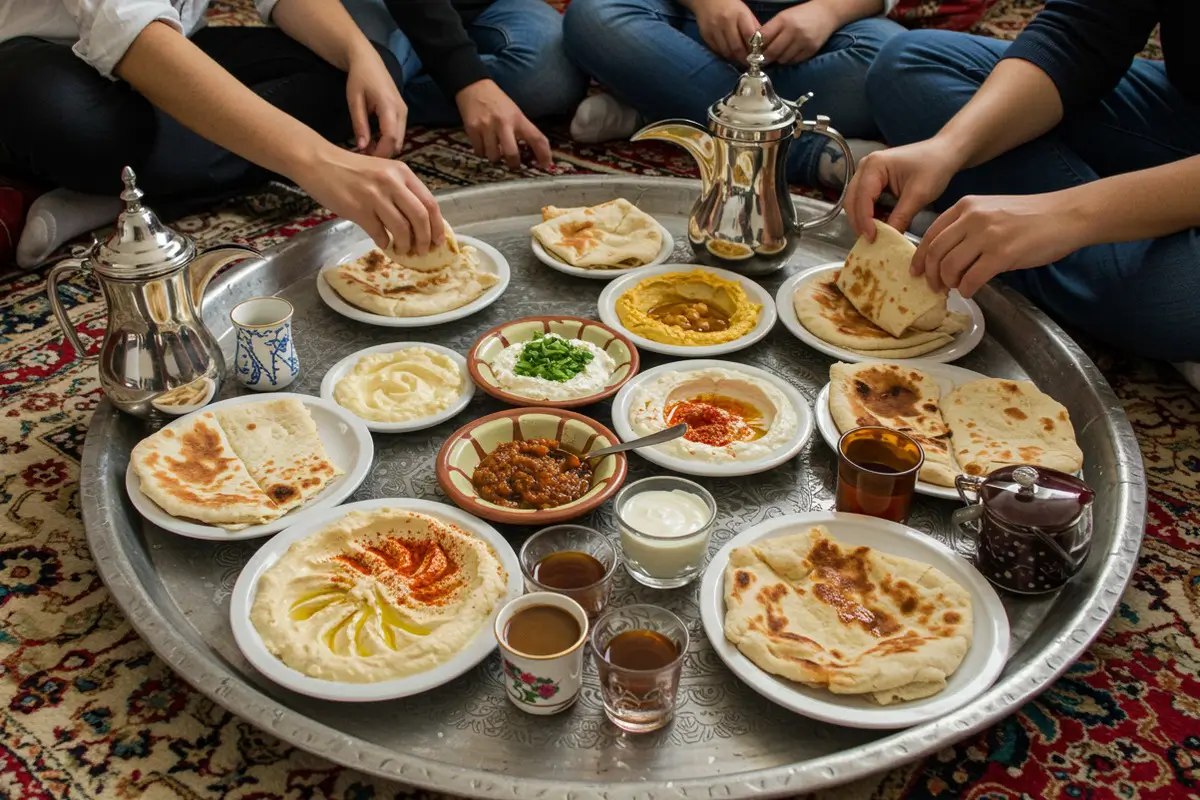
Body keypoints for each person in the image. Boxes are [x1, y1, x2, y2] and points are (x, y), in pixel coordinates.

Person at [845, 0, 1200, 365]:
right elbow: (1082, 32)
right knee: (909, 65)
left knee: (1181, 296)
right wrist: (948, 148)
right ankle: (1016, 243)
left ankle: (987, 235)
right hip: (1182, 111)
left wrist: (1066, 215)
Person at [0, 0, 444, 268]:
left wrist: (357, 51)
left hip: (177, 44)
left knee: (366, 73)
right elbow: (128, 30)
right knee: (62, 118)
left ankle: (121, 191)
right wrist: (316, 161)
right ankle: (135, 178)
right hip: (44, 61)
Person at [562, 0, 905, 188]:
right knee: (595, 14)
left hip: (819, 37)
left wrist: (829, 10)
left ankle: (661, 103)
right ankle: (801, 154)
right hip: (684, 21)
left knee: (893, 56)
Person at [342, 0, 588, 170]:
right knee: (349, 78)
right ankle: (395, 87)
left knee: (551, 76)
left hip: (483, 6)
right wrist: (467, 79)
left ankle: (401, 89)